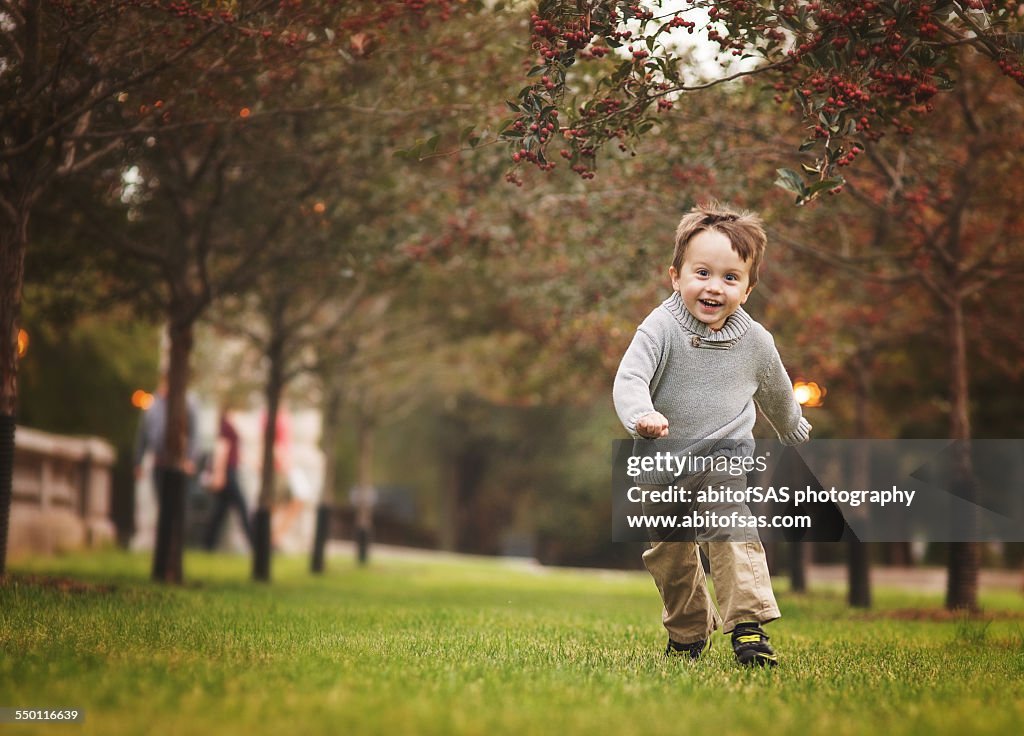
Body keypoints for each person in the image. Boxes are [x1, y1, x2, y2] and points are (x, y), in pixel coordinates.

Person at [612, 201, 811, 667]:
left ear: (748, 287)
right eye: (702, 272)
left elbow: (778, 391)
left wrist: (792, 427)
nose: (714, 287)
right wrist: (642, 415)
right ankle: (687, 634)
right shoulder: (659, 328)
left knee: (731, 528)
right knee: (671, 557)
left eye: (729, 277)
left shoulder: (756, 342)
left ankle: (747, 627)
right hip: (661, 468)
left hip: (724, 459)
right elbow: (630, 379)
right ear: (675, 275)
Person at [203, 404, 254, 551]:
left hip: (231, 470)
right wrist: (219, 474)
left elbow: (234, 450)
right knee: (242, 507)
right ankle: (254, 544)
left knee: (219, 511)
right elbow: (221, 449)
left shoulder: (229, 423)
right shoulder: (225, 425)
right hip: (228, 472)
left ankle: (208, 545)